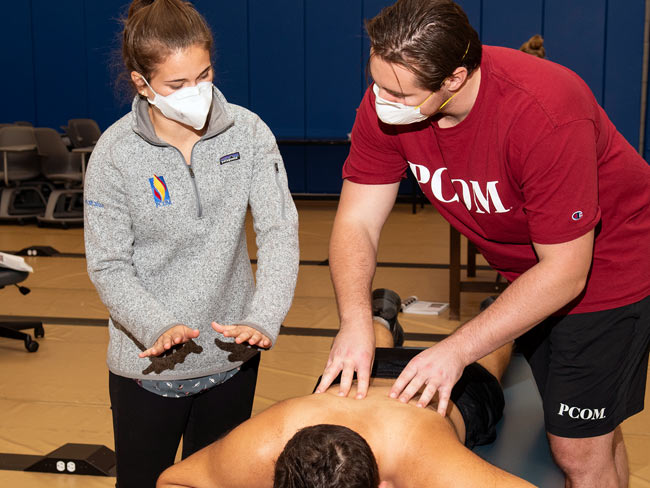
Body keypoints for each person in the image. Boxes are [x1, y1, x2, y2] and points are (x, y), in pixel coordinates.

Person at [315, 1, 650, 486]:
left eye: (398, 92)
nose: (379, 100)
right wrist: (353, 321)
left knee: (577, 449)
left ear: (453, 79)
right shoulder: (388, 104)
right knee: (594, 431)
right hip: (531, 273)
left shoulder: (545, 111)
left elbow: (566, 271)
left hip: (606, 270)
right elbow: (357, 223)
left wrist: (455, 350)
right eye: (377, 82)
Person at [83, 0, 299, 486]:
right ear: (143, 83)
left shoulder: (249, 131)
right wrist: (155, 325)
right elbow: (109, 264)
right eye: (177, 85)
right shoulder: (115, 154)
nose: (195, 93)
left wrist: (264, 314)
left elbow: (280, 233)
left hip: (232, 358)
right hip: (149, 369)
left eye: (203, 75)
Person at [156, 289, 534, 488]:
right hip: (357, 376)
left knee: (487, 362)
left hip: (440, 395)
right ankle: (378, 318)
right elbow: (172, 482)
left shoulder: (424, 462)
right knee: (360, 359)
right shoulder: (261, 445)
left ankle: (495, 313)